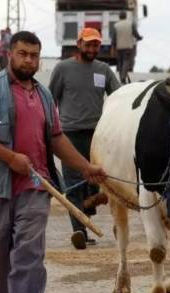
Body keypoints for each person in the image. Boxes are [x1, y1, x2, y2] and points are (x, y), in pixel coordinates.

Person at [0, 31, 107, 293]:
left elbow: (56, 138)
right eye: (23, 53)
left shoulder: (43, 95)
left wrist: (86, 167)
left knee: (30, 248)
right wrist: (11, 158)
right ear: (9, 54)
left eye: (34, 55)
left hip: (35, 185)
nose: (29, 60)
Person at [49, 27, 120, 249]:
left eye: (96, 44)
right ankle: (79, 231)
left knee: (99, 178)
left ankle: (90, 202)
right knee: (73, 183)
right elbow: (51, 100)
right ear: (79, 44)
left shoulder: (104, 70)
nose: (92, 48)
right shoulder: (63, 68)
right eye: (88, 44)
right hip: (68, 135)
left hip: (98, 135)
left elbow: (118, 96)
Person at [112, 11, 142, 84]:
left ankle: (122, 78)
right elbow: (136, 34)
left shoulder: (116, 25)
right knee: (126, 61)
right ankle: (123, 77)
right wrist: (139, 38)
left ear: (119, 17)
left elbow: (114, 38)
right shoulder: (131, 24)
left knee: (120, 63)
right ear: (126, 16)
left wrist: (113, 47)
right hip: (128, 47)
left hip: (119, 48)